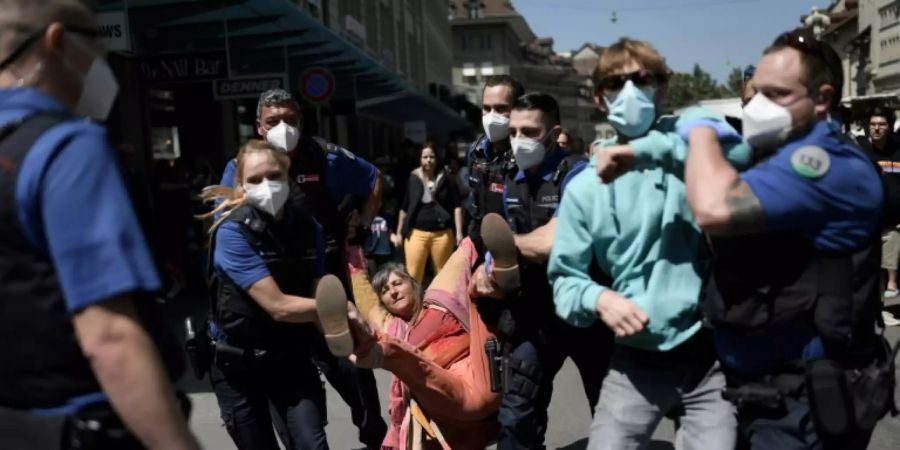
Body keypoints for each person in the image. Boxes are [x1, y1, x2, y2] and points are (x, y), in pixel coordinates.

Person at [0, 1, 199, 449]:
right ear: (56, 42)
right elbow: (109, 337)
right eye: (97, 46)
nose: (103, 64)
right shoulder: (66, 147)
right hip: (81, 426)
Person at [682, 30, 889, 449]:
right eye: (755, 94)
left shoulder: (824, 161)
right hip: (755, 386)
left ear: (822, 99)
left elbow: (713, 209)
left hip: (802, 397)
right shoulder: (776, 155)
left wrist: (699, 130)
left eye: (775, 95)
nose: (758, 107)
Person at [551, 37, 750, 450]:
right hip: (635, 362)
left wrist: (644, 152)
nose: (629, 92)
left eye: (641, 79)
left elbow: (743, 156)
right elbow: (565, 281)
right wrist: (600, 299)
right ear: (599, 99)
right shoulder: (585, 187)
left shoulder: (695, 132)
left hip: (710, 357)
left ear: (661, 86)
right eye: (614, 83)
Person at [218, 88, 388, 449]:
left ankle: (373, 427)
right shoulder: (239, 172)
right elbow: (225, 215)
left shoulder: (323, 158)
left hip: (320, 269)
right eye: (273, 121)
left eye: (290, 120)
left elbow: (373, 178)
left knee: (343, 359)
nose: (283, 128)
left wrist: (360, 226)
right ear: (259, 128)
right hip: (265, 280)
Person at [475, 92, 614, 449]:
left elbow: (557, 241)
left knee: (613, 416)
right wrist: (489, 266)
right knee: (515, 417)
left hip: (588, 313)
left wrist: (508, 245)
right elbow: (501, 240)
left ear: (553, 134)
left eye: (530, 132)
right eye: (515, 131)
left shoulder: (579, 175)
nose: (519, 139)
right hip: (536, 313)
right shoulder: (512, 179)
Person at [201, 140, 349, 450]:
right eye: (254, 179)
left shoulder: (310, 229)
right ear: (240, 184)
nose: (266, 185)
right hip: (238, 364)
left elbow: (315, 295)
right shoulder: (231, 232)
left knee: (312, 444)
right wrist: (343, 310)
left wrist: (344, 342)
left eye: (273, 175)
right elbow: (279, 306)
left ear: (288, 176)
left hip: (289, 356)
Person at [343, 233, 504, 449]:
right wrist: (351, 254)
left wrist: (489, 208)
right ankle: (372, 349)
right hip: (446, 398)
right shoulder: (395, 329)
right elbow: (364, 296)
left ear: (412, 283)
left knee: (478, 293)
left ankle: (499, 266)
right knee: (400, 353)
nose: (393, 292)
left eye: (397, 283)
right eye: (385, 291)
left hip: (483, 374)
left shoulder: (439, 297)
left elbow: (464, 253)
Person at [391, 141, 464, 282]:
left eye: (432, 156)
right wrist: (399, 231)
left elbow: (457, 206)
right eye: (425, 157)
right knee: (413, 275)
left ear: (437, 158)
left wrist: (459, 232)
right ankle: (415, 304)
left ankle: (440, 303)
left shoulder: (447, 178)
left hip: (442, 234)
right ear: (420, 159)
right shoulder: (413, 178)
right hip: (416, 233)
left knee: (443, 275)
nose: (428, 160)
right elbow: (404, 206)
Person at [856, 106, 900, 327]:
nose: (876, 128)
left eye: (881, 124)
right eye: (873, 124)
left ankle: (884, 305)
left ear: (889, 127)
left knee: (888, 263)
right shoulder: (860, 150)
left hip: (894, 221)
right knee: (872, 269)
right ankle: (878, 310)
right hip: (867, 221)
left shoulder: (898, 150)